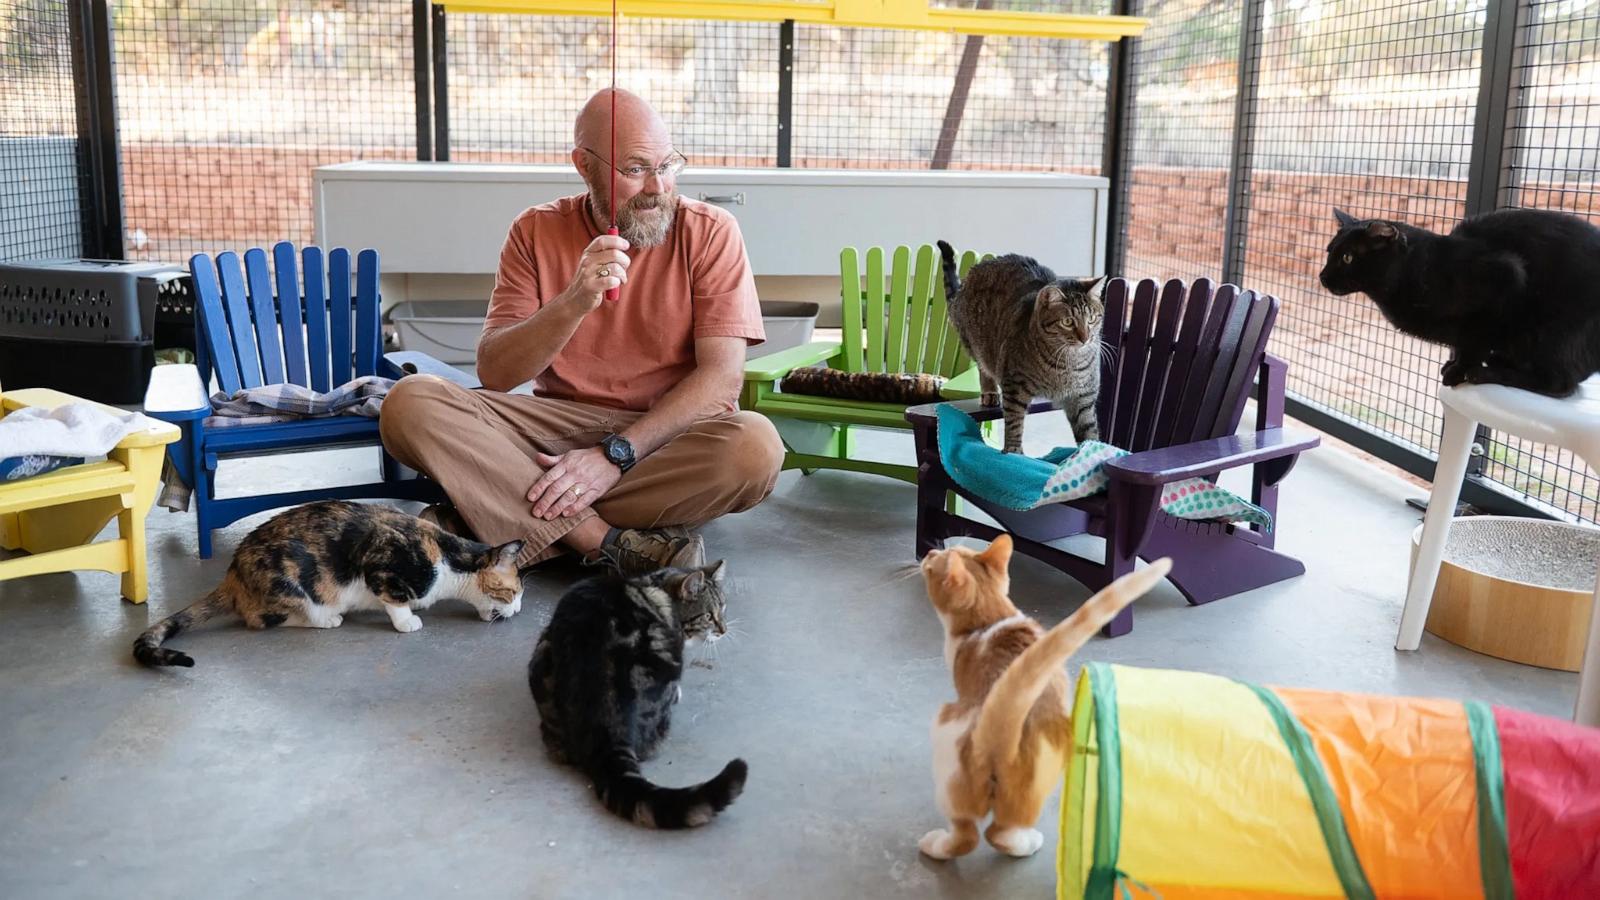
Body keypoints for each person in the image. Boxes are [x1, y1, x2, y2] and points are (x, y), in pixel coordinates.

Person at [379, 89, 784, 574]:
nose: (658, 186)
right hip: (553, 433)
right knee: (410, 402)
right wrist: (574, 301)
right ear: (584, 166)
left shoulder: (711, 231)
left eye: (668, 164)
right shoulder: (534, 230)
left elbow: (721, 382)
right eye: (635, 169)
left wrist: (614, 456)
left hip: (664, 438)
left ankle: (490, 513)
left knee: (754, 448)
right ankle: (603, 541)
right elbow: (496, 373)